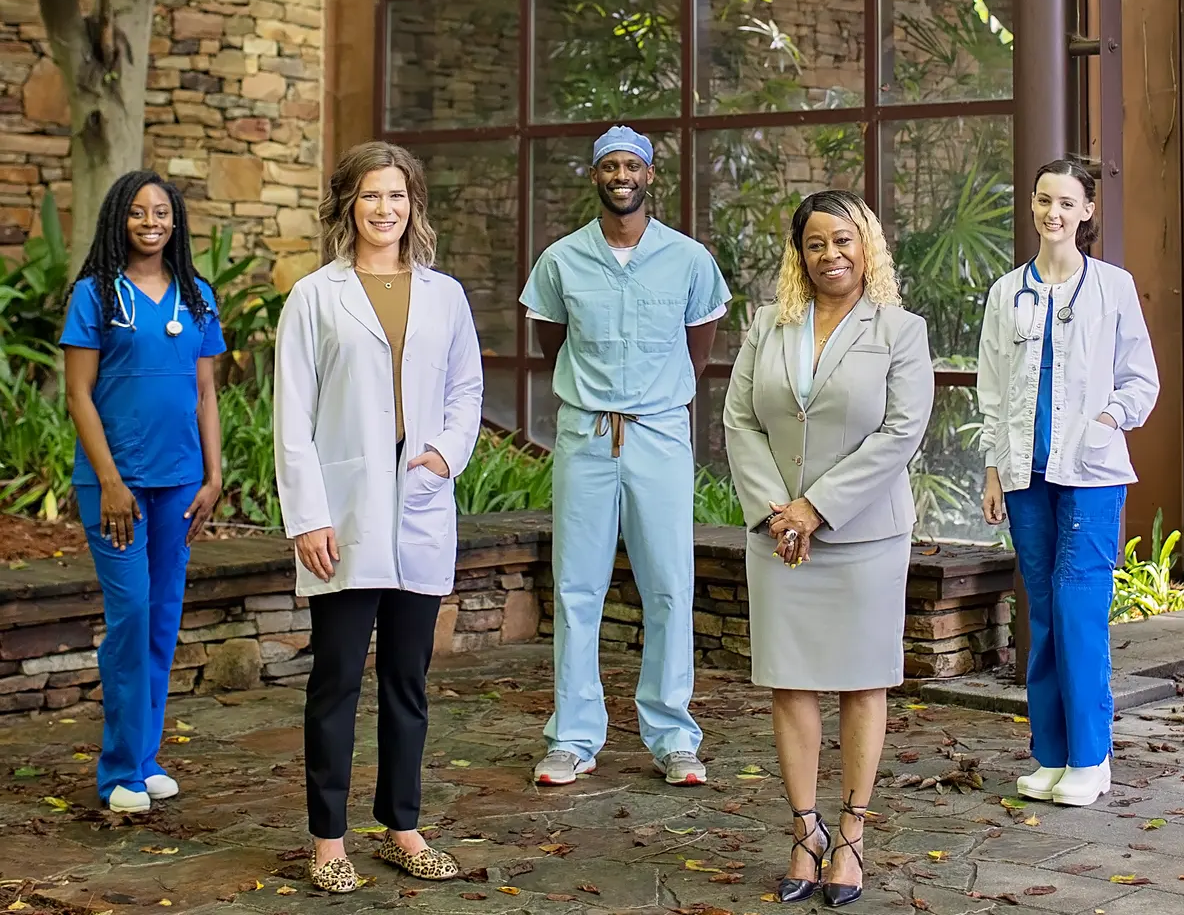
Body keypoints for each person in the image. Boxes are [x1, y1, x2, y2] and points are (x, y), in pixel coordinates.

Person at [274, 141, 484, 893]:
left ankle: (402, 826)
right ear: (348, 205)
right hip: (345, 513)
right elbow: (291, 417)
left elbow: (466, 390)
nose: (384, 209)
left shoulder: (445, 295)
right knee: (334, 680)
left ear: (413, 206)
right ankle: (328, 841)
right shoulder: (314, 297)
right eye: (370, 196)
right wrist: (307, 515)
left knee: (408, 680)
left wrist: (442, 457)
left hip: (419, 501)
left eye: (396, 195)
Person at [724, 189, 933, 907]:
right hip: (780, 537)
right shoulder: (768, 324)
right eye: (816, 243)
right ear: (799, 253)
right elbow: (739, 420)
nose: (830, 255)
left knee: (861, 681)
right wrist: (779, 514)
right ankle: (805, 830)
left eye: (843, 241)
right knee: (790, 681)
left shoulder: (900, 331)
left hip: (864, 534)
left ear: (865, 245)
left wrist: (818, 508)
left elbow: (902, 431)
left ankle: (851, 836)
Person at [520, 126, 730, 789]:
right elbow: (553, 337)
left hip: (660, 434)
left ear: (649, 175)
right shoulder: (560, 260)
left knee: (669, 584)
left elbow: (698, 347)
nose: (621, 175)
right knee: (577, 587)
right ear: (595, 177)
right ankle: (573, 737)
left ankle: (673, 736)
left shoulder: (689, 259)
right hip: (585, 436)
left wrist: (655, 397)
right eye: (609, 165)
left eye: (631, 165)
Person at [977, 158, 1160, 808]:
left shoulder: (1113, 287)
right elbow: (993, 390)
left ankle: (1092, 757)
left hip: (1091, 475)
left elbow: (1141, 378)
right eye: (1042, 199)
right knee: (1045, 616)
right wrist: (996, 470)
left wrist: (1110, 417)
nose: (1053, 212)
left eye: (1067, 202)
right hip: (1026, 475)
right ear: (1032, 206)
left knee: (1079, 612)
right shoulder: (1007, 293)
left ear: (1086, 213)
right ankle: (1050, 757)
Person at [60, 171, 225, 814]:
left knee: (161, 619)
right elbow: (79, 394)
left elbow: (207, 392)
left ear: (176, 222)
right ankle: (117, 770)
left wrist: (212, 477)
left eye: (161, 212)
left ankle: (146, 756)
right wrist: (109, 482)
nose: (150, 221)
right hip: (115, 487)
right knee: (128, 619)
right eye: (137, 212)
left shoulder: (196, 294)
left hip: (180, 482)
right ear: (118, 221)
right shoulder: (96, 295)